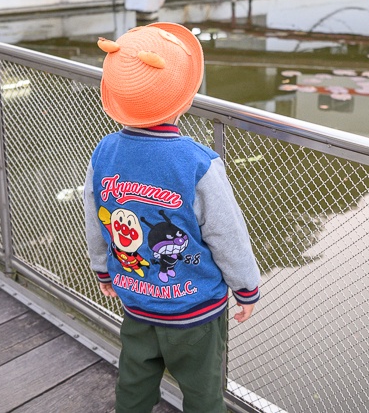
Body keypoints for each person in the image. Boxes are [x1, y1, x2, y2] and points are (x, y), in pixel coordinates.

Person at [84, 22, 260, 413]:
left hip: (137, 301)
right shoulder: (198, 163)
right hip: (194, 311)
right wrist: (245, 287)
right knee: (203, 393)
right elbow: (226, 233)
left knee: (134, 381)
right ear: (184, 99)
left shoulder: (104, 153)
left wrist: (103, 269)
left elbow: (98, 220)